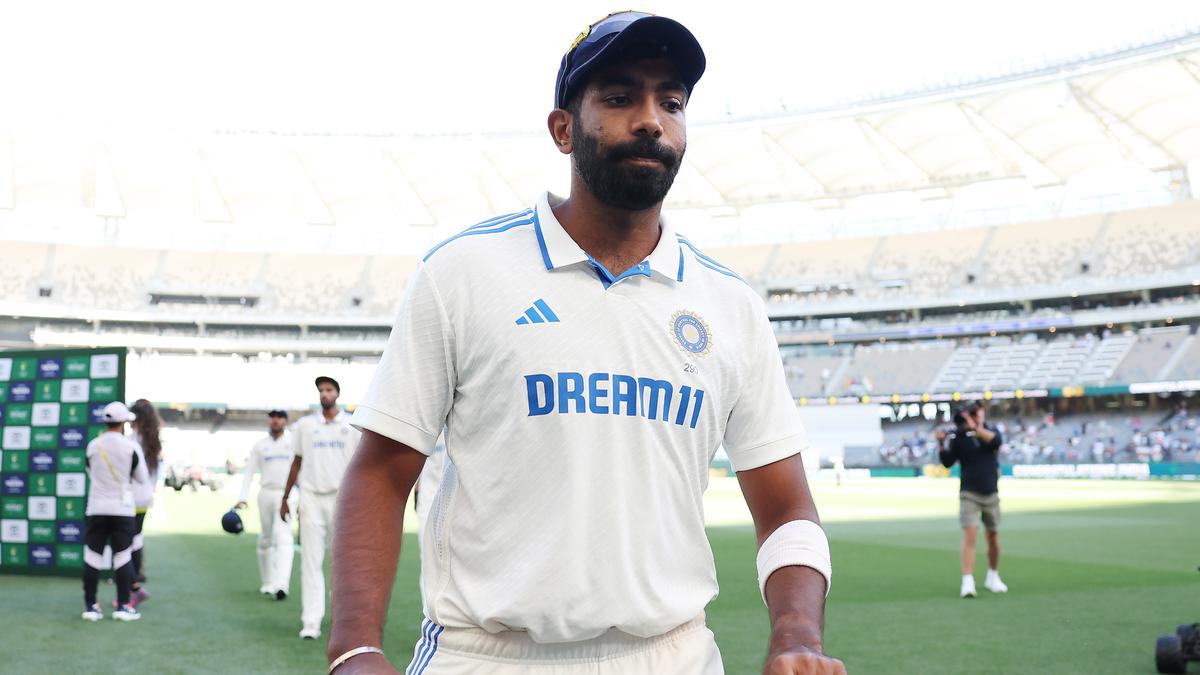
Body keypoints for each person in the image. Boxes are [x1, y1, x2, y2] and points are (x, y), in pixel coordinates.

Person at [326, 12, 842, 675]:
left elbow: (787, 506)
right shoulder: (463, 271)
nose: (651, 119)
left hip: (673, 656)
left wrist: (797, 633)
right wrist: (355, 647)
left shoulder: (730, 304)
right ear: (563, 129)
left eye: (672, 102)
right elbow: (380, 470)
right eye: (620, 97)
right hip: (488, 657)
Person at [280, 376, 360, 640]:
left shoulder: (351, 424)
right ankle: (311, 622)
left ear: (337, 393)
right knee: (311, 561)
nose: (325, 394)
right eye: (321, 390)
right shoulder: (305, 425)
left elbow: (360, 466)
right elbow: (296, 461)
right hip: (311, 498)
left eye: (329, 390)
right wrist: (285, 497)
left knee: (342, 563)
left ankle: (342, 622)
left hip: (342, 498)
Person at [82, 401, 149, 622]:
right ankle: (122, 606)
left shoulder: (93, 445)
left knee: (93, 557)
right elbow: (141, 478)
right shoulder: (131, 447)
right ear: (123, 423)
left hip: (96, 508)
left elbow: (90, 471)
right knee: (122, 557)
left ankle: (91, 607)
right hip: (122, 509)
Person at [935, 403, 1008, 598]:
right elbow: (947, 462)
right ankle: (967, 581)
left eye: (975, 414)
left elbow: (995, 442)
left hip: (991, 493)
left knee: (993, 536)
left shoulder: (991, 431)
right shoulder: (959, 437)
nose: (972, 418)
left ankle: (993, 575)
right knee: (970, 535)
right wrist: (941, 443)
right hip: (969, 493)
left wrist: (975, 428)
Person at [236, 409, 296, 600]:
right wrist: (242, 497)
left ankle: (282, 585)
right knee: (266, 538)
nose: (276, 421)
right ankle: (268, 582)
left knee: (283, 537)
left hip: (286, 494)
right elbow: (249, 473)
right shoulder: (260, 445)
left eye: (279, 418)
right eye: (273, 418)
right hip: (266, 493)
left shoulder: (293, 442)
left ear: (285, 421)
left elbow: (302, 470)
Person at [125, 398, 161, 608]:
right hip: (144, 497)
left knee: (128, 544)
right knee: (136, 540)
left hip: (131, 497)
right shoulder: (153, 440)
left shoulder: (133, 441)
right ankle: (135, 581)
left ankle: (134, 586)